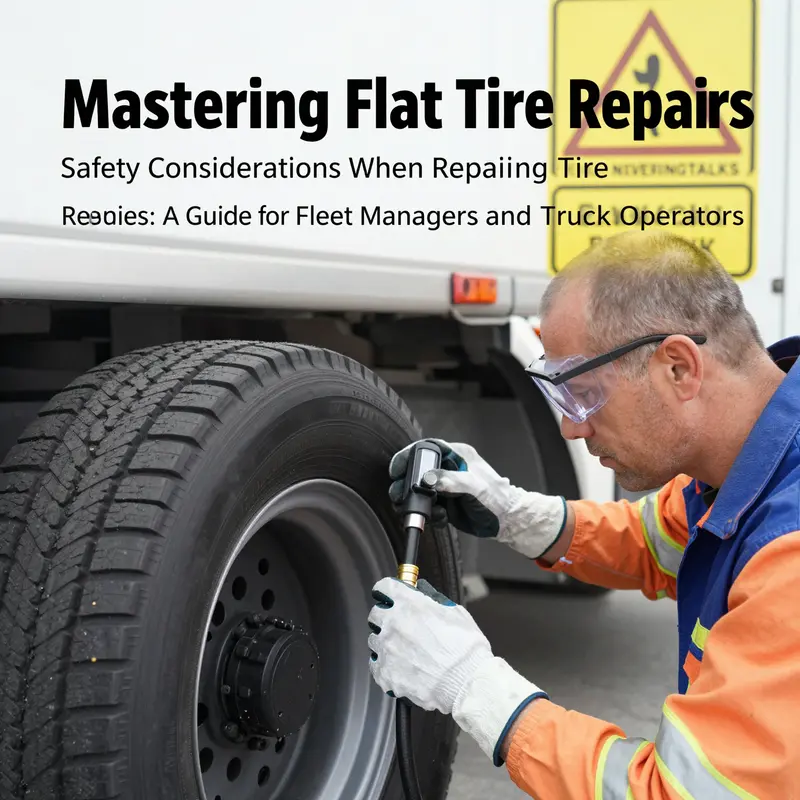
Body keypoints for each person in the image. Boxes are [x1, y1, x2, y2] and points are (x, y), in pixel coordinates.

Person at [367, 230, 800, 799]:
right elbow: (654, 544)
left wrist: (474, 686)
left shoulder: (788, 550)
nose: (571, 426)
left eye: (584, 393)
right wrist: (513, 512)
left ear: (678, 368)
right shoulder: (742, 466)